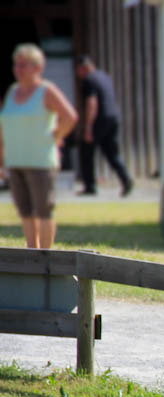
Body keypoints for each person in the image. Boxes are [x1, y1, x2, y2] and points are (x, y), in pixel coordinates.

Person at [0, 43, 78, 249]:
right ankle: (31, 252)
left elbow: (69, 116)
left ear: (37, 67)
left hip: (41, 161)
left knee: (43, 210)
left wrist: (57, 134)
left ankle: (45, 257)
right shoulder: (12, 92)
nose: (18, 69)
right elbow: (4, 124)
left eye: (23, 65)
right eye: (16, 65)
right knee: (25, 211)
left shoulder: (46, 91)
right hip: (16, 160)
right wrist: (2, 157)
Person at [74, 55, 132, 197]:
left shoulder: (89, 80)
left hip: (99, 119)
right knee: (112, 153)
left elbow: (92, 103)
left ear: (84, 68)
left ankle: (90, 186)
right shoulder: (104, 76)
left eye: (79, 71)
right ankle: (126, 179)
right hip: (113, 117)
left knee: (86, 151)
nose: (78, 75)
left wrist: (88, 127)